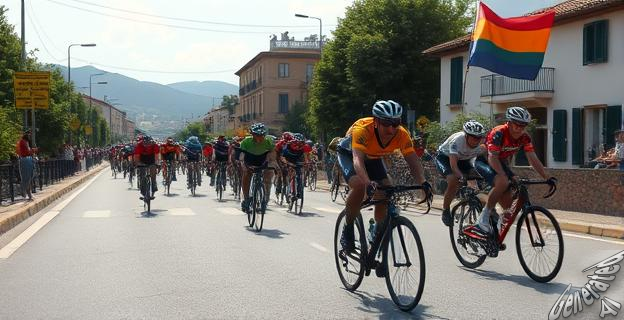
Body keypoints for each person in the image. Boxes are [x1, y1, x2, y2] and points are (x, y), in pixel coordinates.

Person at [338, 100, 430, 257]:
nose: (391, 128)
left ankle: (376, 231)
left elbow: (412, 159)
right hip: (350, 154)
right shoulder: (363, 129)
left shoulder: (401, 133)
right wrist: (367, 183)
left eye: (395, 123)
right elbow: (358, 160)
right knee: (359, 186)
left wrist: (423, 182)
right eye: (386, 123)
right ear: (376, 122)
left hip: (373, 157)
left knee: (386, 192)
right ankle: (348, 228)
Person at [474, 106, 556, 234]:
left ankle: (494, 229)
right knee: (502, 181)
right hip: (484, 160)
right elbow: (492, 157)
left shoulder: (525, 137)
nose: (519, 128)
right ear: (509, 122)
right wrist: (504, 175)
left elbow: (533, 159)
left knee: (509, 208)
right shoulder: (499, 132)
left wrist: (547, 177)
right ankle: (483, 218)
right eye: (516, 125)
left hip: (500, 162)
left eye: (523, 126)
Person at [435, 120, 487, 226]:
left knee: (475, 184)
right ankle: (445, 210)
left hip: (464, 160)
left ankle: (473, 205)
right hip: (445, 158)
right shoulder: (457, 141)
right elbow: (453, 166)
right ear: (466, 135)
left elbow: (484, 162)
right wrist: (461, 177)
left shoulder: (482, 145)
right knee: (454, 180)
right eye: (473, 137)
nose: (476, 140)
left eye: (479, 137)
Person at [240, 123, 276, 212]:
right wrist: (244, 166)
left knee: (268, 174)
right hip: (249, 160)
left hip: (262, 160)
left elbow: (272, 153)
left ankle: (264, 197)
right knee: (246, 174)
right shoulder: (246, 141)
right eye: (257, 135)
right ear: (252, 134)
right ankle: (246, 198)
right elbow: (242, 155)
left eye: (262, 135)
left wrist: (271, 162)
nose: (260, 137)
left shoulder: (268, 141)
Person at [280, 133, 311, 199]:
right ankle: (287, 187)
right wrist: (288, 163)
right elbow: (282, 157)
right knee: (288, 172)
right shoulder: (287, 145)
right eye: (297, 143)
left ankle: (299, 192)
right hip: (288, 160)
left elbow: (305, 156)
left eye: (301, 143)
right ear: (292, 142)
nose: (298, 145)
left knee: (299, 175)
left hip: (297, 161)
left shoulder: (304, 146)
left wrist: (307, 163)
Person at [15, 129, 37, 200]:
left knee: (30, 177)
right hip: (25, 160)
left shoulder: (26, 142)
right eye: (29, 134)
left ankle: (29, 193)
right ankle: (25, 192)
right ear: (26, 135)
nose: (30, 136)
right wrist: (33, 150)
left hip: (28, 159)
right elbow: (25, 152)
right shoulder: (22, 142)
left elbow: (27, 151)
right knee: (26, 177)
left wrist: (32, 150)